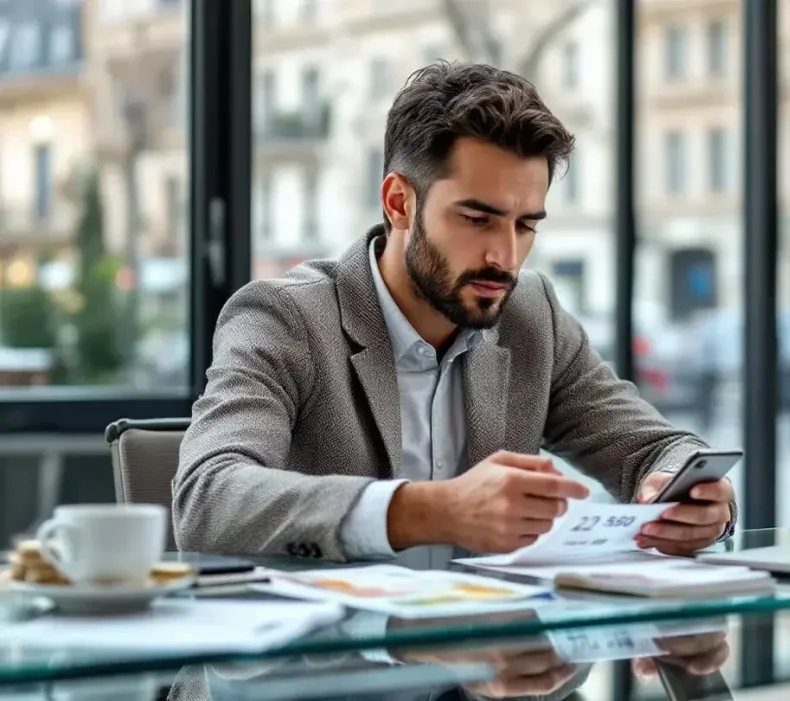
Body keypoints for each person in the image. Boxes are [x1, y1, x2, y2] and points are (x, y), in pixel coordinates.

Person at [173, 61, 736, 562]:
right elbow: (207, 499)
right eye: (477, 219)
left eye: (525, 225)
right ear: (399, 202)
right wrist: (432, 510)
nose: (505, 256)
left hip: (489, 644)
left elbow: (654, 447)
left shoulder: (531, 315)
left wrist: (690, 493)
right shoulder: (286, 318)